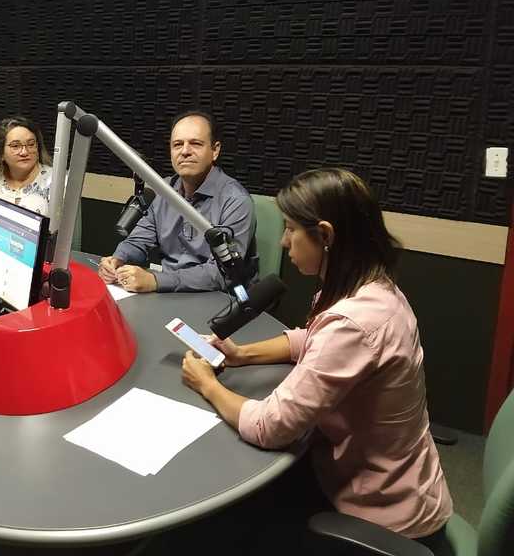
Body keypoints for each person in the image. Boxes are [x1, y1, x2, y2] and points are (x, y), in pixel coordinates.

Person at [180, 168, 452, 551]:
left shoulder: (354, 324)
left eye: (291, 229)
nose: (284, 241)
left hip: (381, 518)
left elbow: (270, 426)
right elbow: (312, 339)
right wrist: (242, 355)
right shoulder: (374, 289)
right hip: (401, 485)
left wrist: (206, 383)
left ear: (325, 235)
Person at [97, 110, 256, 293]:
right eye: (177, 144)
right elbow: (140, 239)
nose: (185, 151)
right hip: (169, 293)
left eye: (195, 144)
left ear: (215, 150)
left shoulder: (235, 201)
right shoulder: (163, 190)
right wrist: (117, 259)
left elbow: (221, 273)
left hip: (218, 299)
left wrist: (156, 280)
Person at [0, 115, 53, 215]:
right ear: (0, 153)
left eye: (31, 144)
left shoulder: (55, 183)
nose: (24, 152)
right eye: (15, 146)